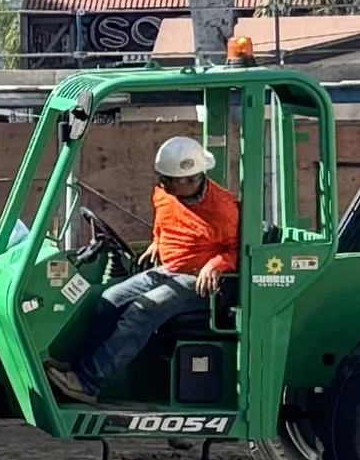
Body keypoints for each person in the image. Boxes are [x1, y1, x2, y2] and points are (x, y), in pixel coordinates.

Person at [48, 134, 239, 403]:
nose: (163, 185)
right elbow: (163, 221)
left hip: (200, 282)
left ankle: (87, 384)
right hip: (169, 268)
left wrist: (216, 264)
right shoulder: (164, 193)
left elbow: (237, 248)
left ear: (193, 179)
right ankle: (81, 366)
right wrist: (156, 242)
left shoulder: (224, 208)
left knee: (142, 311)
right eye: (163, 178)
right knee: (108, 299)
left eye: (170, 181)